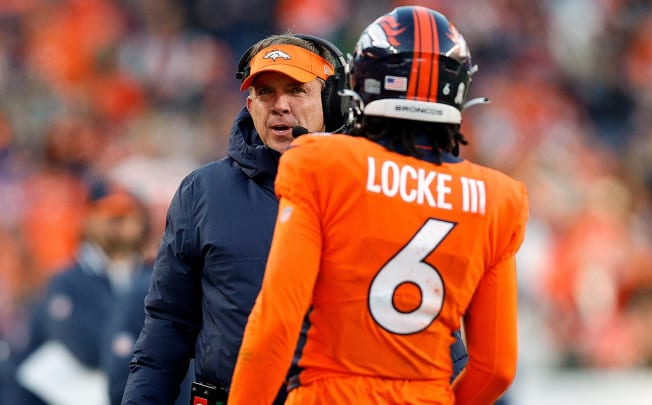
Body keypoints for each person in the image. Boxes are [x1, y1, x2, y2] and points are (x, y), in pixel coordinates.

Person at [121, 32, 467, 405]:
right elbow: (166, 327)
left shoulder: (379, 188)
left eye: (297, 89)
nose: (280, 105)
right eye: (266, 91)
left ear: (332, 99)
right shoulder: (201, 192)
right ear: (250, 103)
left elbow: (428, 330)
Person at [227, 5, 529, 405]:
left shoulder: (320, 162)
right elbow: (496, 368)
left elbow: (275, 326)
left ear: (364, 82)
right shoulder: (499, 197)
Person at [10, 180, 153, 405]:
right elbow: (87, 348)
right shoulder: (66, 281)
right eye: (110, 215)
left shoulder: (154, 279)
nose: (119, 223)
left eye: (127, 214)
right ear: (89, 218)